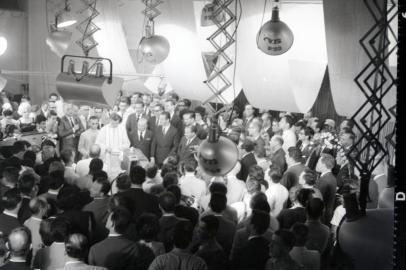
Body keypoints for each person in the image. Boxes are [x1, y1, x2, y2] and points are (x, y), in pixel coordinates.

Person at [88, 207, 155, 270]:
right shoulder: (136, 248)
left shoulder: (94, 249)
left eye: (108, 218)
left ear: (112, 224)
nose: (106, 220)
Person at [95, 113, 130, 179]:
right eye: (113, 123)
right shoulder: (104, 129)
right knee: (107, 174)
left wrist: (119, 148)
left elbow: (127, 143)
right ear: (110, 120)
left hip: (118, 157)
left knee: (117, 175)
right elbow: (98, 142)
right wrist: (106, 147)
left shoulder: (122, 129)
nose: (115, 125)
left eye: (117, 123)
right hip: (107, 156)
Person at [23, 197, 49, 263]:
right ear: (41, 209)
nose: (47, 209)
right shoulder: (44, 226)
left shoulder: (26, 222)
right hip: (36, 260)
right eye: (46, 207)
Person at [315, 153, 337, 224]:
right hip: (327, 214)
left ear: (324, 165)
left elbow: (317, 199)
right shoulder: (332, 177)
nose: (316, 164)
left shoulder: (324, 180)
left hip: (321, 216)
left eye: (318, 162)